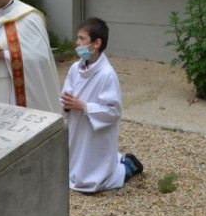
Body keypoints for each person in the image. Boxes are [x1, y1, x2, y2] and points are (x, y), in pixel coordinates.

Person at [59, 17, 143, 192]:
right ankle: (115, 161)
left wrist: (84, 106)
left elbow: (114, 111)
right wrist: (67, 104)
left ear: (96, 43)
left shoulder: (107, 74)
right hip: (77, 127)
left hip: (96, 132)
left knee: (94, 181)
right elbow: (66, 95)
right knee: (76, 169)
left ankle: (129, 166)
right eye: (78, 38)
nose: (77, 43)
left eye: (82, 39)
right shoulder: (75, 68)